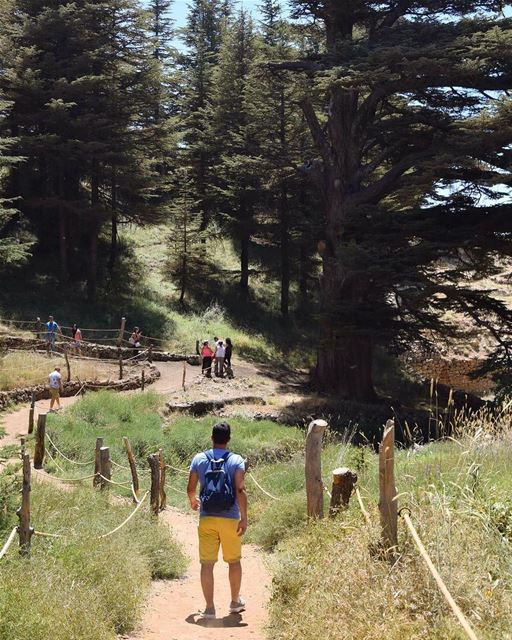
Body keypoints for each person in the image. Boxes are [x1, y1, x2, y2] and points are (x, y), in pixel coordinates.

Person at [187, 422, 247, 620]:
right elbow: (240, 489)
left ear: (211, 437)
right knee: (234, 561)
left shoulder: (199, 459)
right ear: (229, 439)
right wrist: (244, 518)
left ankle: (210, 608)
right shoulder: (237, 460)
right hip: (230, 518)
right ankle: (234, 601)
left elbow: (191, 488)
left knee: (207, 563)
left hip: (207, 518)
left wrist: (193, 501)